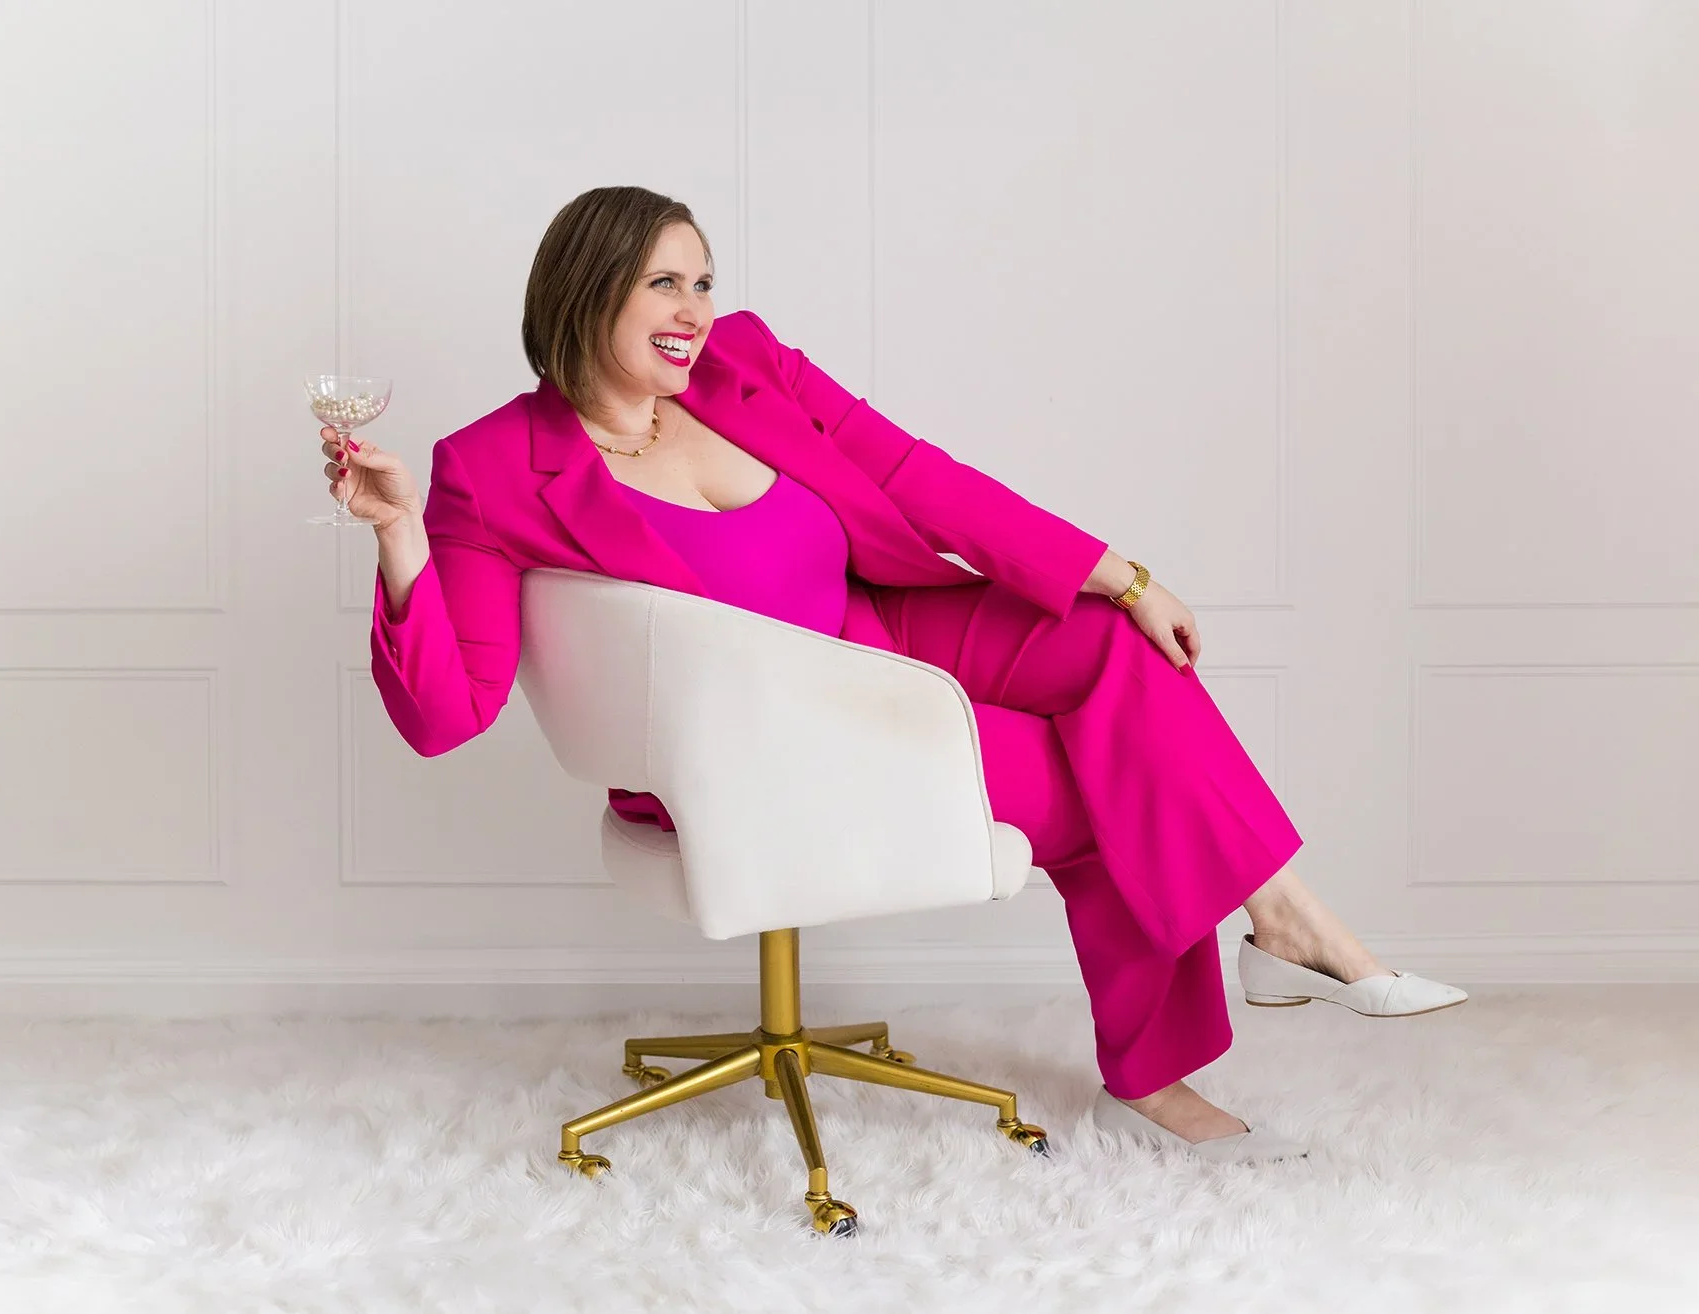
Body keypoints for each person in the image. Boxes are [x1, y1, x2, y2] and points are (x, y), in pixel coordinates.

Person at [320, 185, 1466, 1162]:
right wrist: (399, 538)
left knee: (1117, 645)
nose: (696, 312)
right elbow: (444, 715)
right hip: (769, 738)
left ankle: (1284, 917)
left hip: (886, 636)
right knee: (1099, 791)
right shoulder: (490, 468)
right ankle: (1170, 1056)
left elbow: (914, 474)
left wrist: (1120, 573)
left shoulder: (745, 365)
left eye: (705, 282)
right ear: (587, 289)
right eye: (666, 284)